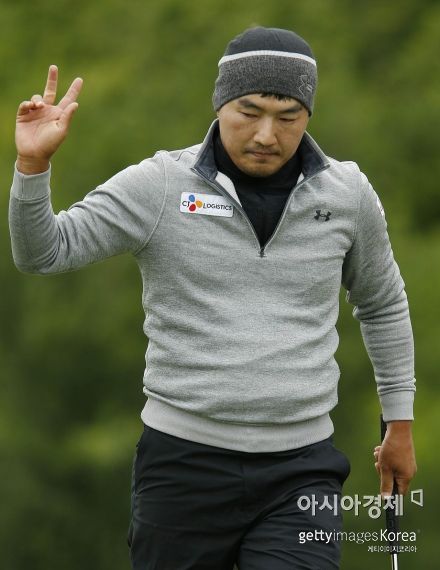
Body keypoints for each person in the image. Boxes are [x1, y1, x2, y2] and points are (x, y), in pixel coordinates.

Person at [9, 26, 416, 570]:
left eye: (288, 117)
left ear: (308, 116)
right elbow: (44, 252)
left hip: (302, 470)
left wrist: (399, 422)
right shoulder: (161, 185)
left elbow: (383, 303)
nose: (267, 135)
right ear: (220, 104)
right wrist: (33, 168)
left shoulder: (347, 194)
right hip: (181, 468)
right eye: (249, 112)